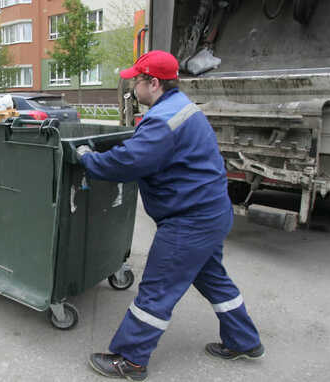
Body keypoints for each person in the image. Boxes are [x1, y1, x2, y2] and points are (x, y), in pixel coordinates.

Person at [78, 51, 263, 381]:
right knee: (214, 280)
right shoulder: (181, 108)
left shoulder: (163, 120)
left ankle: (131, 360)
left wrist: (88, 158)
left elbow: (128, 163)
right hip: (211, 213)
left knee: (157, 289)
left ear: (153, 83)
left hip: (189, 221)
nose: (132, 87)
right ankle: (244, 341)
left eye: (136, 81)